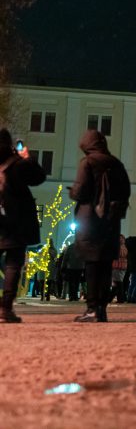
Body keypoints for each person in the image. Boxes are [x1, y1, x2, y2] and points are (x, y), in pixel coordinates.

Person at [70, 129, 131, 323]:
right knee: (105, 266)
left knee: (92, 266)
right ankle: (101, 309)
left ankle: (92, 308)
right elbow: (126, 191)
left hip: (90, 220)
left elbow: (81, 191)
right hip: (111, 221)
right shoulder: (116, 164)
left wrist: (72, 193)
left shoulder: (87, 163)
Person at [0, 129, 47, 322]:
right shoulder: (16, 164)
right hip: (15, 221)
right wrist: (27, 157)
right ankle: (5, 309)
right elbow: (39, 177)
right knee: (13, 263)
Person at [111, 234, 128, 303]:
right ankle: (111, 297)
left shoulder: (120, 247)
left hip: (118, 265)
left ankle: (120, 299)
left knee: (118, 283)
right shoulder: (124, 246)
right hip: (120, 265)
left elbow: (119, 254)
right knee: (116, 283)